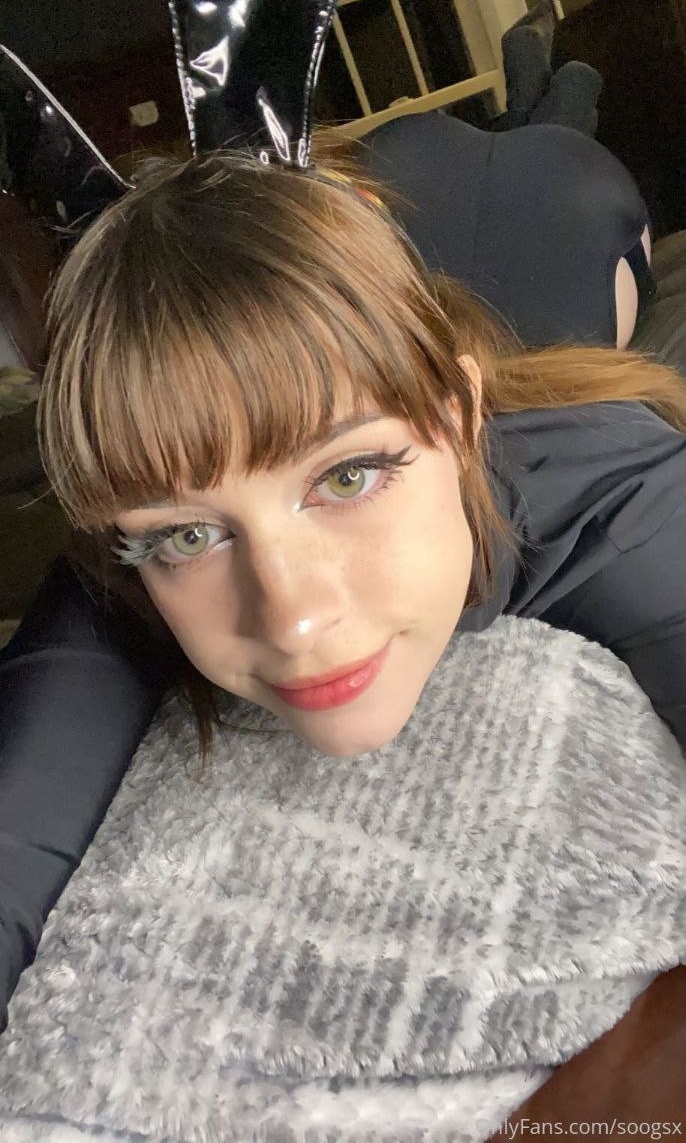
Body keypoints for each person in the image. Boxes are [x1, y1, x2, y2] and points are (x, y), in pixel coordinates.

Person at [1, 143, 685, 1032]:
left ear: (457, 419)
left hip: (554, 202)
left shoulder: (617, 488)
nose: (292, 620)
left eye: (348, 476)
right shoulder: (118, 571)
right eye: (190, 534)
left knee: (592, 276)